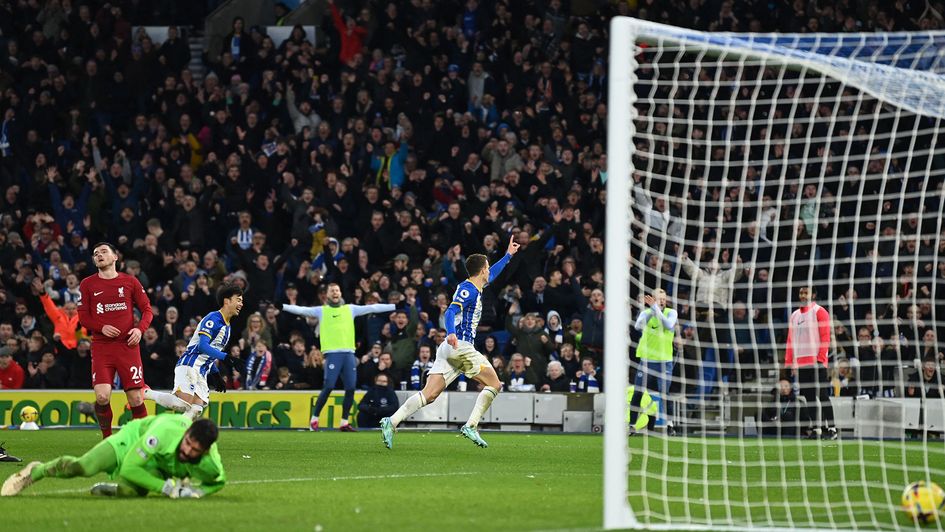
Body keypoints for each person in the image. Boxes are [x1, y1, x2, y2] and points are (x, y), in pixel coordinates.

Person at [382, 237, 520, 448]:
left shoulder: (477, 285)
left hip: (448, 350)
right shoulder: (469, 290)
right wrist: (452, 333)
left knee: (429, 395)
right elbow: (450, 311)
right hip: (461, 346)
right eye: (487, 267)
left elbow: (494, 273)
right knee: (495, 384)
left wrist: (508, 255)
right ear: (482, 270)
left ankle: (391, 422)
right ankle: (471, 426)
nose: (489, 270)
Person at [1, 415, 224, 498]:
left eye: (194, 450)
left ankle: (111, 489)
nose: (187, 451)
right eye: (187, 443)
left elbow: (218, 481)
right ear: (186, 433)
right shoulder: (164, 432)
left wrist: (198, 492)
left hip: (158, 464)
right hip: (131, 439)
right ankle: (36, 471)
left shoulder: (211, 462)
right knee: (85, 467)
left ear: (205, 451)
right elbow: (129, 468)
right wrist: (168, 488)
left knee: (130, 493)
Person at [274, 284, 395, 431]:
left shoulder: (350, 309)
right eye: (332, 291)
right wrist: (283, 306)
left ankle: (344, 422)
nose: (335, 293)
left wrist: (394, 306)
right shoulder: (322, 310)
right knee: (329, 386)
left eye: (337, 290)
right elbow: (302, 310)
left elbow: (373, 307)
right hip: (332, 354)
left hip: (349, 353)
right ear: (327, 295)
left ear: (340, 293)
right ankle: (314, 419)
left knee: (350, 388)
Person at [77, 242, 154, 438]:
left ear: (115, 257)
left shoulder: (130, 282)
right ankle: (107, 439)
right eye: (96, 253)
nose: (99, 255)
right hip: (102, 348)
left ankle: (142, 440)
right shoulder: (87, 284)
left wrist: (139, 330)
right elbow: (83, 318)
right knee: (102, 397)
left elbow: (147, 310)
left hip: (128, 347)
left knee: (136, 398)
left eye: (104, 251)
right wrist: (101, 327)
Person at [144, 284, 244, 420]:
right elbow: (202, 346)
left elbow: (209, 353)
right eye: (238, 300)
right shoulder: (214, 319)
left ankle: (179, 430)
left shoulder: (228, 327)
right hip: (190, 364)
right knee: (182, 404)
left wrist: (215, 374)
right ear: (227, 301)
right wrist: (226, 357)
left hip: (201, 370)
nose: (241, 304)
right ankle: (146, 393)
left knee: (196, 409)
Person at [785, 286, 837, 439]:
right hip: (801, 363)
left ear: (813, 294)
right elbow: (790, 340)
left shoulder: (819, 311)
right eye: (801, 292)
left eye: (806, 292)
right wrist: (790, 362)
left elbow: (825, 337)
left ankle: (832, 428)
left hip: (816, 361)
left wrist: (821, 359)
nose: (802, 295)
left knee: (822, 395)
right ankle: (816, 429)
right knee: (809, 397)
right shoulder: (794, 315)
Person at [633, 288, 677, 429]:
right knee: (638, 392)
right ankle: (632, 425)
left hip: (664, 362)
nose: (662, 301)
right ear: (653, 299)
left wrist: (655, 309)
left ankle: (670, 424)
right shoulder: (646, 313)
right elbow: (637, 326)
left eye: (664, 299)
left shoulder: (671, 312)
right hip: (646, 362)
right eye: (659, 299)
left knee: (664, 393)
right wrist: (652, 310)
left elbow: (668, 325)